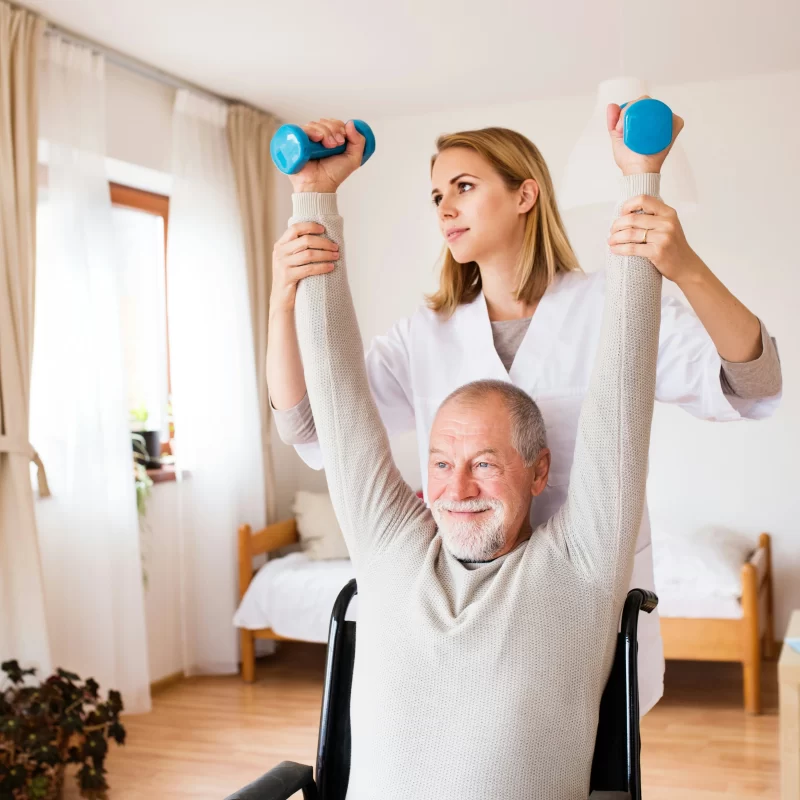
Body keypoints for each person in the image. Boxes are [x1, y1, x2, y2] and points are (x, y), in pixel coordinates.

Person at [267, 104, 782, 717]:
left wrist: (684, 265)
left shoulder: (609, 307)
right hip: (467, 621)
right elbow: (310, 427)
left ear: (524, 195)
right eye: (436, 197)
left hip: (590, 614)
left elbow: (753, 382)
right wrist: (282, 300)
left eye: (463, 187)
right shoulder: (423, 337)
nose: (445, 210)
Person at [287, 102, 674, 800]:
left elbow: (624, 376)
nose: (456, 486)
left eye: (486, 463)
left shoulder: (581, 566)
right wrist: (313, 196)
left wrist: (640, 178)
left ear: (541, 470)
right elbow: (337, 402)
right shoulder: (390, 548)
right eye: (439, 462)